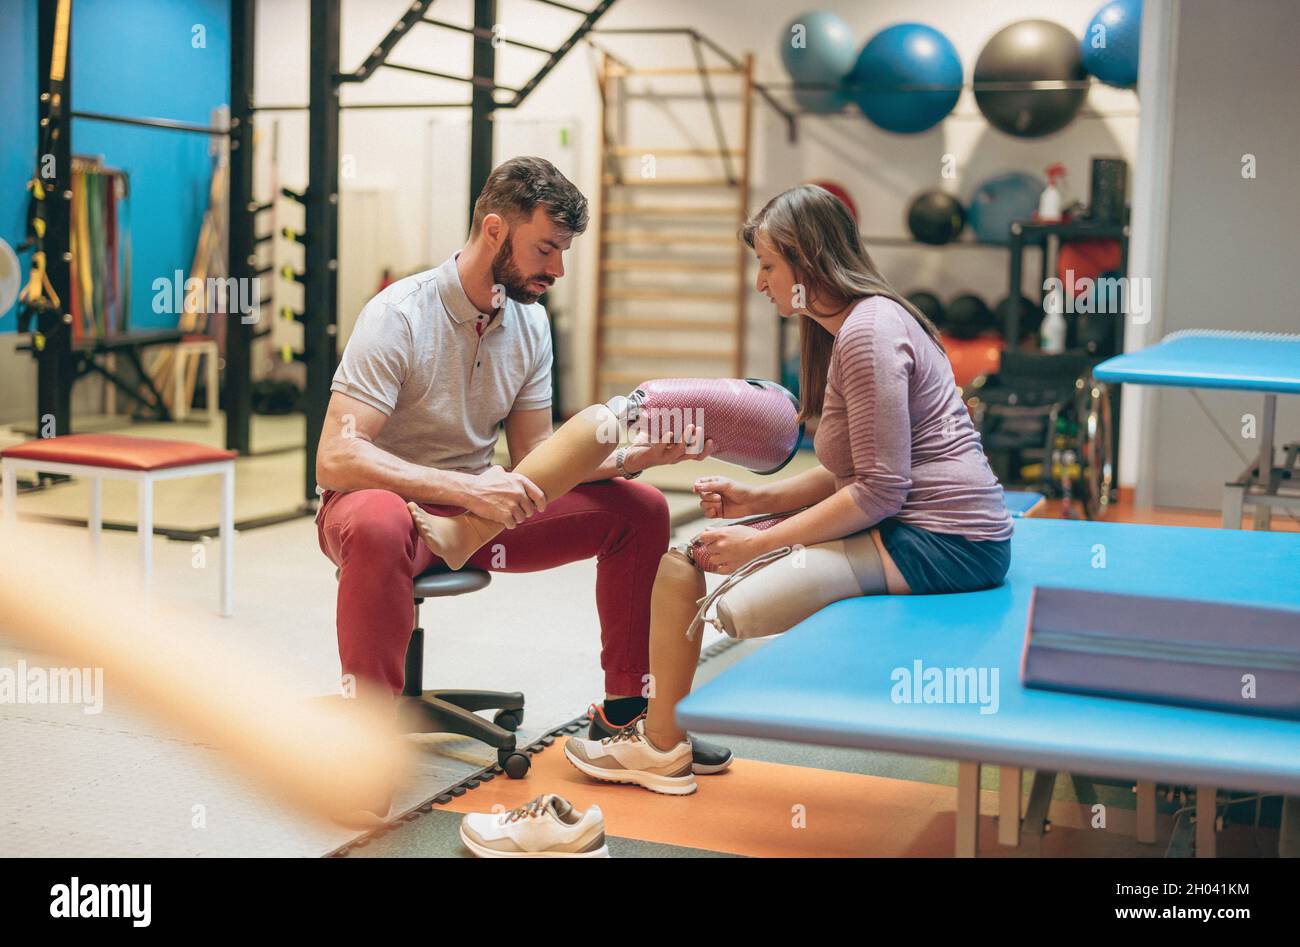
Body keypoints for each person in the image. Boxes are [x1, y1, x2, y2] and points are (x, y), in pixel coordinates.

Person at [563, 184, 1015, 795]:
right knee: (694, 552)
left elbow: (879, 492)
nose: (760, 282)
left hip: (943, 543)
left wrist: (752, 546)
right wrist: (760, 502)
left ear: (807, 262)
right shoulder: (854, 326)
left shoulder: (867, 335)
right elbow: (858, 469)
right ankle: (664, 740)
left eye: (768, 265)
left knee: (686, 561)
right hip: (928, 528)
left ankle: (661, 750)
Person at [313, 157, 733, 799]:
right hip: (386, 507)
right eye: (546, 249)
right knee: (377, 520)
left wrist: (634, 459)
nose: (557, 269)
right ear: (493, 230)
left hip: (479, 515)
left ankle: (627, 717)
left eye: (563, 251)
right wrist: (464, 488)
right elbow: (337, 458)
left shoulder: (530, 321)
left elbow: (541, 457)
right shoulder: (398, 316)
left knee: (640, 510)